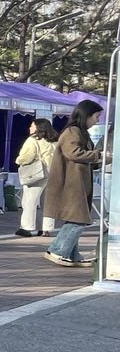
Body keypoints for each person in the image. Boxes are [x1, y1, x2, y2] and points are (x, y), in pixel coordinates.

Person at [43, 99, 108, 268]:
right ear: (86, 115)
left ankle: (72, 255)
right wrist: (99, 155)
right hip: (70, 184)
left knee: (76, 217)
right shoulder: (72, 131)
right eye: (96, 116)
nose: (97, 120)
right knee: (78, 218)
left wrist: (100, 159)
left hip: (76, 183)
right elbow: (73, 153)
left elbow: (82, 156)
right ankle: (57, 250)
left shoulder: (80, 132)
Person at [14, 118, 57, 237]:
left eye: (32, 126)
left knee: (29, 201)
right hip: (53, 173)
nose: (30, 128)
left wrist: (18, 160)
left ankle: (27, 227)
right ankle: (47, 228)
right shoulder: (54, 141)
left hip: (37, 173)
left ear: (38, 128)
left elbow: (27, 156)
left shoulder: (33, 140)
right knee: (48, 203)